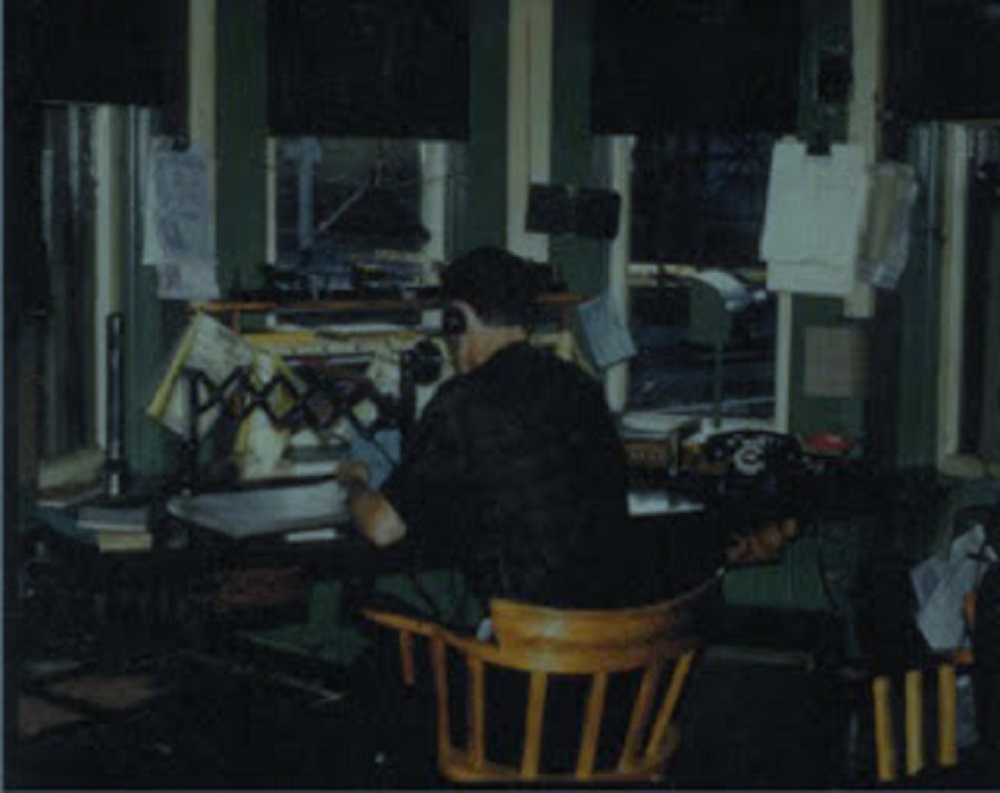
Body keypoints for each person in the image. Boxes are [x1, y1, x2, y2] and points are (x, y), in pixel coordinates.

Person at [343, 245, 794, 625]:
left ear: (457, 320)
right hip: (610, 652)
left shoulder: (461, 401)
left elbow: (382, 528)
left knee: (373, 625)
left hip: (530, 655)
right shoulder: (579, 384)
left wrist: (353, 482)